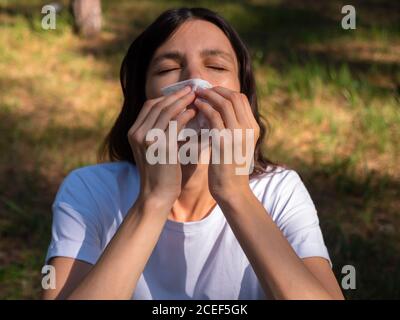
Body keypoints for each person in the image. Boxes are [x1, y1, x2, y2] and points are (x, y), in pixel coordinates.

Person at [42, 7, 344, 300]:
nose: (196, 82)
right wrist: (154, 199)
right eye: (168, 69)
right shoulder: (90, 190)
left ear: (243, 95)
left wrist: (234, 193)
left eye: (216, 67)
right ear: (141, 99)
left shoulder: (280, 190)